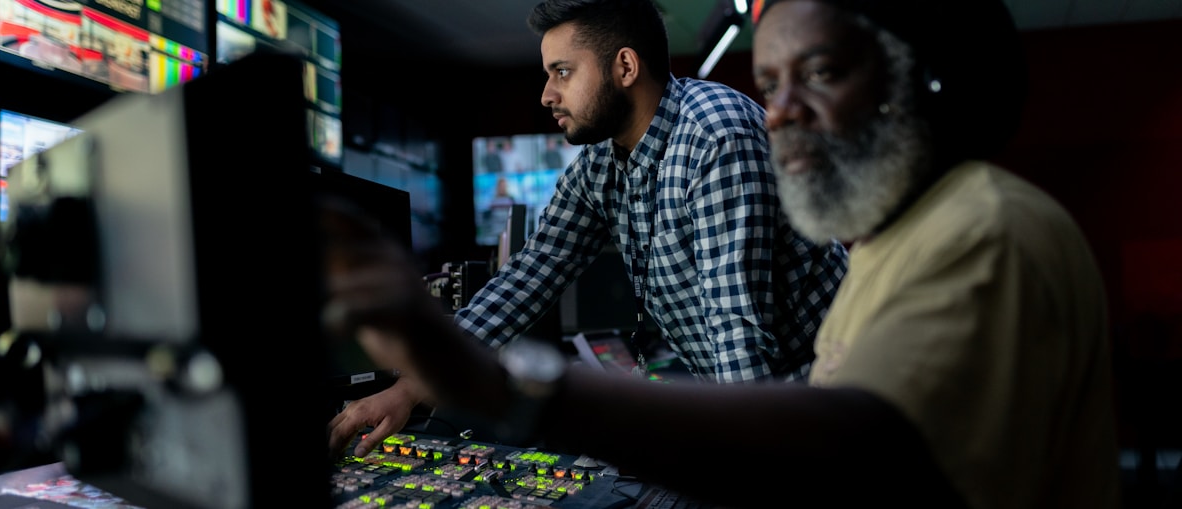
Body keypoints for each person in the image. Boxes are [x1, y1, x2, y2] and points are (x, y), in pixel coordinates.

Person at [320, 0, 1122, 507]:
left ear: (924, 81)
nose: (776, 116)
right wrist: (410, 385)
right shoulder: (900, 237)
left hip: (775, 408)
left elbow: (785, 381)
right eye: (771, 85)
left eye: (821, 74)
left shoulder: (980, 229)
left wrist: (521, 389)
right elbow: (532, 271)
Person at [327, 0, 848, 459]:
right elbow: (528, 278)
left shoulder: (714, 136)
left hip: (823, 401)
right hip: (756, 405)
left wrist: (754, 469)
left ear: (624, 66)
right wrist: (412, 386)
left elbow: (740, 332)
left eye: (562, 72)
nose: (547, 95)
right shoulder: (602, 164)